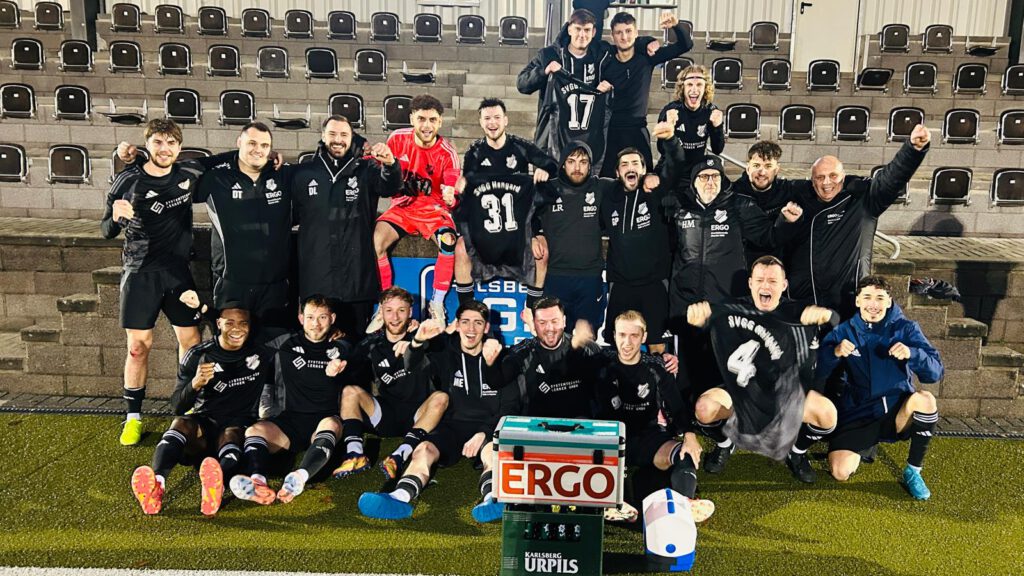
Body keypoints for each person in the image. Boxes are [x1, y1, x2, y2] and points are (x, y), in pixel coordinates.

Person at [687, 256, 838, 483]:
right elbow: (701, 317)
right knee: (704, 409)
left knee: (827, 415)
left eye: (772, 281)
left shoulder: (798, 311)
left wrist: (830, 317)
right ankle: (725, 445)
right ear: (750, 283)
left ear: (784, 285)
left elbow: (837, 323)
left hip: (783, 397)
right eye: (759, 280)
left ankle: (797, 452)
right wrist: (696, 318)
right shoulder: (731, 308)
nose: (765, 286)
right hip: (742, 394)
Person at [357, 301, 514, 521]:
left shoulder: (502, 357)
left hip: (487, 426)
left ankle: (492, 499)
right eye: (465, 322)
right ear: (457, 325)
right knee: (424, 449)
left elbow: (510, 406)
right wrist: (417, 341)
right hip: (452, 426)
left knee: (492, 452)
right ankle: (399, 497)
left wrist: (485, 433)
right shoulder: (446, 354)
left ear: (486, 327)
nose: (471, 329)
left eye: (478, 323)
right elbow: (412, 367)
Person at [101, 118, 204, 446]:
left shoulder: (188, 174)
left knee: (191, 342)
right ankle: (133, 417)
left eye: (171, 143)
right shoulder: (127, 179)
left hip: (177, 274)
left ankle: (185, 408)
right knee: (137, 347)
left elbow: (227, 160)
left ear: (179, 147)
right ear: (147, 145)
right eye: (158, 142)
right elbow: (106, 230)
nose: (165, 148)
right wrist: (115, 218)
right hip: (139, 273)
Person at [130, 306, 271, 515]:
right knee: (181, 423)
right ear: (219, 324)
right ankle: (157, 485)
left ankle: (216, 487)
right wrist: (195, 384)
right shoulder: (199, 354)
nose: (237, 329)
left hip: (237, 427)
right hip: (204, 428)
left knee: (232, 434)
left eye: (243, 323)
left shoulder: (260, 354)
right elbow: (177, 406)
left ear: (250, 327)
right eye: (230, 323)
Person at [785, 124, 930, 318]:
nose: (827, 183)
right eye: (820, 177)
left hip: (848, 302)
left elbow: (891, 179)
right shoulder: (799, 200)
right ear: (812, 181)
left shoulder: (863, 199)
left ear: (843, 177)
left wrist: (912, 150)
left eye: (833, 176)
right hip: (805, 303)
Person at [818, 275, 943, 500]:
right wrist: (834, 352)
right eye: (867, 297)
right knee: (840, 472)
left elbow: (935, 373)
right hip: (860, 412)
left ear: (889, 301)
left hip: (896, 411)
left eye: (879, 298)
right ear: (858, 301)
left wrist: (912, 354)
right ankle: (867, 445)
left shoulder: (906, 328)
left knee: (925, 400)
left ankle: (913, 471)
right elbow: (818, 369)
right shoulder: (844, 330)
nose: (873, 304)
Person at [286, 115, 403, 339]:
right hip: (316, 281)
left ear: (352, 138)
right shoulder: (302, 173)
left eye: (344, 134)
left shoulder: (367, 169)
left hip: (356, 283)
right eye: (332, 134)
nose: (338, 139)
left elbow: (391, 187)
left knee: (355, 346)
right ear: (322, 136)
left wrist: (390, 164)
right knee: (318, 345)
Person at [229, 295, 352, 505]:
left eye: (322, 317)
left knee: (332, 425)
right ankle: (258, 482)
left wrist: (337, 364)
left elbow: (351, 349)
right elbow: (244, 339)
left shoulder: (340, 346)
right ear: (301, 318)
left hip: (323, 420)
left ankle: (297, 479)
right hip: (290, 420)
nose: (316, 324)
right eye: (310, 317)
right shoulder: (285, 343)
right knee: (254, 431)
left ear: (332, 318)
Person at [595, 311, 713, 523]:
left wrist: (689, 435)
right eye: (622, 335)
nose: (627, 343)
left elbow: (677, 406)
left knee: (684, 453)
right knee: (588, 453)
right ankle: (612, 503)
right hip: (609, 438)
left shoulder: (656, 367)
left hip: (648, 438)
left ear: (644, 337)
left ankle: (684, 502)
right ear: (614, 336)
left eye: (634, 335)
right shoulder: (600, 363)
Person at [454, 98, 558, 320]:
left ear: (506, 120)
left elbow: (552, 166)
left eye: (497, 118)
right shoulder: (474, 152)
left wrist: (544, 171)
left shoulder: (520, 146)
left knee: (542, 252)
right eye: (487, 118)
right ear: (481, 122)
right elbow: (469, 191)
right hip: (488, 224)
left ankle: (531, 310)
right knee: (461, 248)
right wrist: (462, 186)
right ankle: (466, 312)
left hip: (519, 223)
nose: (492, 123)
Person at [332, 287, 449, 480]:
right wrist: (336, 365)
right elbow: (349, 365)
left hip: (419, 416)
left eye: (401, 310)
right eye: (389, 310)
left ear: (410, 312)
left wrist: (416, 344)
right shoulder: (371, 343)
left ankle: (400, 455)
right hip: (385, 415)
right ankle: (355, 453)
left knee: (441, 398)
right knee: (349, 391)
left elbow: (442, 349)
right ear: (381, 312)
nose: (395, 317)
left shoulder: (423, 338)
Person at [191, 122, 293, 335]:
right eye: (251, 143)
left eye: (265, 145)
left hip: (274, 284)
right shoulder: (216, 178)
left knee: (273, 347)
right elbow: (180, 169)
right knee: (231, 346)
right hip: (232, 284)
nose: (258, 150)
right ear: (239, 142)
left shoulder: (284, 176)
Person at [372, 94, 462, 327]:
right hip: (402, 207)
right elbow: (381, 174)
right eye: (421, 119)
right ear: (412, 118)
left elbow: (452, 195)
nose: (426, 125)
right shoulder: (397, 139)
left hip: (433, 210)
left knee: (448, 241)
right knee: (377, 241)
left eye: (432, 120)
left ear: (440, 122)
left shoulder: (448, 153)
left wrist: (451, 197)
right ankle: (384, 304)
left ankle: (437, 303)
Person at [598, 10, 693, 176]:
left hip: (637, 129)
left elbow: (685, 45)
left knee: (645, 178)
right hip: (611, 130)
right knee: (608, 180)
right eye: (619, 32)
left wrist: (676, 26)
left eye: (628, 31)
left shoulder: (647, 57)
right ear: (612, 36)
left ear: (636, 33)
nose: (624, 37)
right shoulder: (605, 58)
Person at [600, 148, 671, 353]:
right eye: (624, 164)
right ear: (617, 173)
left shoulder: (657, 193)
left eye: (635, 164)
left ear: (644, 169)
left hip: (654, 283)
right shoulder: (608, 197)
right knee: (618, 342)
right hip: (621, 283)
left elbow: (675, 165)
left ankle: (658, 375)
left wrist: (669, 143)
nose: (630, 168)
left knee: (657, 342)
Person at [534, 143, 611, 330]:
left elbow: (629, 182)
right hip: (556, 277)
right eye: (571, 161)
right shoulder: (547, 189)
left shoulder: (601, 187)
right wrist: (533, 237)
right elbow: (525, 216)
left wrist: (649, 177)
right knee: (556, 335)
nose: (577, 167)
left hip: (590, 277)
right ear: (562, 164)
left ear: (590, 166)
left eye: (583, 162)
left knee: (587, 337)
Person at [516, 9, 612, 161]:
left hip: (587, 141)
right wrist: (544, 71)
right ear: (569, 29)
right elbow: (522, 84)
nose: (582, 35)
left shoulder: (602, 56)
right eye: (578, 29)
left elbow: (627, 47)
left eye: (587, 30)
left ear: (594, 32)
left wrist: (645, 43)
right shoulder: (549, 55)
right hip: (551, 140)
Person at [501, 297, 603, 418]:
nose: (550, 328)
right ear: (534, 324)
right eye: (542, 322)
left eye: (555, 321)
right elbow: (498, 380)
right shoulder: (523, 352)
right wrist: (490, 362)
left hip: (580, 424)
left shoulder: (586, 347)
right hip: (537, 425)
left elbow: (611, 368)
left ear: (564, 321)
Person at [731, 141, 814, 263]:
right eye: (756, 166)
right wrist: (786, 221)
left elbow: (820, 187)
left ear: (776, 170)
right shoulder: (734, 194)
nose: (762, 172)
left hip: (778, 264)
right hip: (743, 263)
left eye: (768, 166)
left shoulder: (787, 190)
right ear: (748, 168)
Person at [653, 65, 725, 189]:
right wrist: (669, 129)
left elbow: (717, 149)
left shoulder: (711, 111)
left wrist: (717, 127)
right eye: (690, 85)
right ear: (683, 88)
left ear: (705, 88)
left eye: (699, 85)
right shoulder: (670, 111)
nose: (694, 89)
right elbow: (661, 149)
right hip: (671, 169)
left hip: (696, 171)